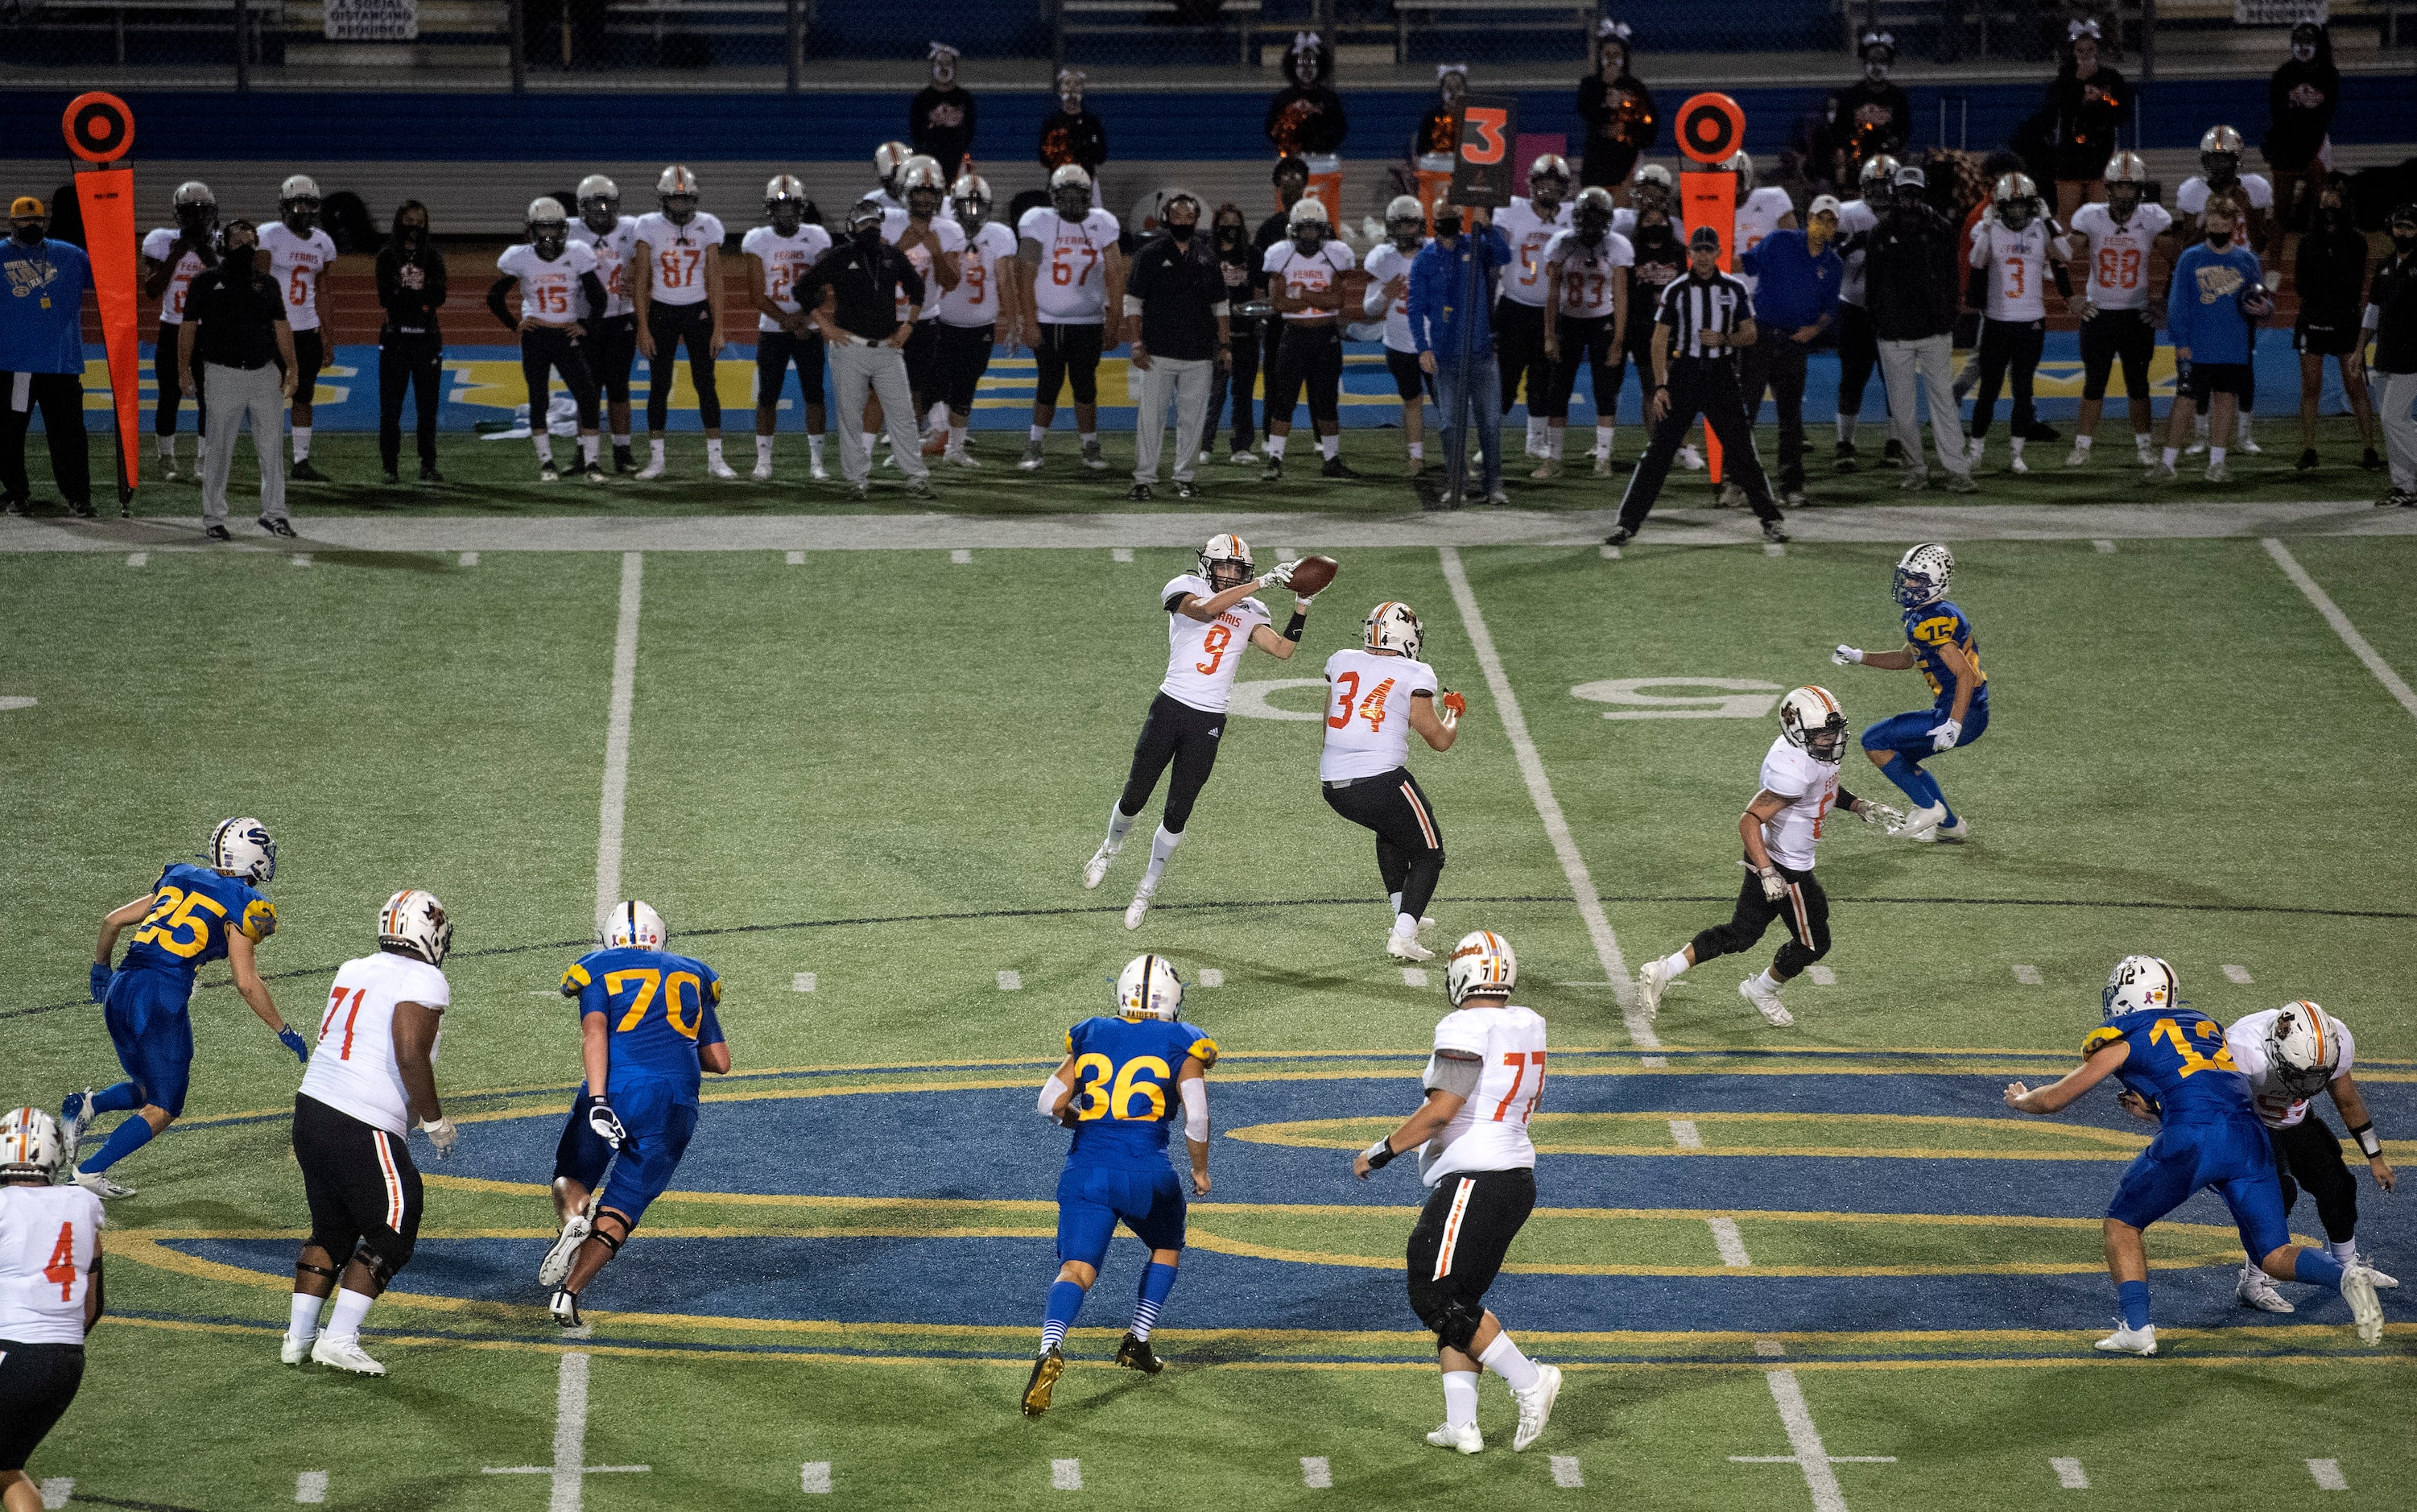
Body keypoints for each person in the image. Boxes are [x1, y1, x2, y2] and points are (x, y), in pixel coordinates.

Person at [2002, 956, 2383, 1356]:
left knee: (2122, 1223)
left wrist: (2023, 1099)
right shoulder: (2204, 1025)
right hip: (2250, 1136)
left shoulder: (2124, 1035)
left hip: (2194, 1137)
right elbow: (2202, 1081)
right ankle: (2343, 1275)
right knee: (2273, 1253)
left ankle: (2137, 1328)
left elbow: (2058, 1099)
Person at [1352, 930, 1560, 1456]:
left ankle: (1529, 1379)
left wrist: (1382, 1150)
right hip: (1514, 1177)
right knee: (1460, 1304)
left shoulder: (1465, 1024)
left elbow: (1443, 1109)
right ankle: (1461, 1424)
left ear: (1463, 975)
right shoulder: (1528, 1023)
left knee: (1433, 1292)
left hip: (1478, 1177)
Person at [63, 819, 304, 1198]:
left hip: (121, 987)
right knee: (165, 1104)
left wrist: (100, 968)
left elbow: (112, 921)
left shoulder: (179, 876)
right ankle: (89, 1172)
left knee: (150, 1086)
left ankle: (88, 1106)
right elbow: (246, 982)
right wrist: (284, 1029)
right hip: (159, 998)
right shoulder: (245, 903)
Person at [1021, 956, 1217, 1415]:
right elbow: (1198, 1115)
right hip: (1147, 1171)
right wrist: (1200, 1171)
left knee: (1076, 1270)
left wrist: (1077, 1119)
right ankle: (1137, 1340)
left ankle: (1050, 1348)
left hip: (1086, 1170)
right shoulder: (1184, 1041)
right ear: (1172, 998)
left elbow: (1048, 1101)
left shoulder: (1091, 1032)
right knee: (1166, 1245)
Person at [1636, 688, 1897, 1028]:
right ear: (1797, 730)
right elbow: (1749, 820)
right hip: (1785, 866)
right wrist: (1767, 871)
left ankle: (1664, 970)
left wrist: (1859, 805)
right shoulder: (1795, 768)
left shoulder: (1812, 756)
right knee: (1814, 943)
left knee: (1742, 933)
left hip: (1773, 858)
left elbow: (1823, 790)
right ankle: (1762, 990)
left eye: (1833, 730)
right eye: (1821, 733)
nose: (1831, 738)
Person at [282, 890, 457, 1377]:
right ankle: (339, 1339)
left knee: (332, 1230)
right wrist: (433, 1118)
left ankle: (297, 1338)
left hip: (312, 1106)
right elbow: (408, 1051)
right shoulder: (423, 976)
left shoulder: (354, 967)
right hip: (360, 1117)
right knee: (395, 1225)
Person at [1085, 537, 1305, 923]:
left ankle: (1146, 888)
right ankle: (1109, 849)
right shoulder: (1184, 587)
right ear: (1207, 565)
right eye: (1225, 567)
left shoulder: (1253, 608)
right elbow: (1203, 612)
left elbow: (1282, 650)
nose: (1231, 574)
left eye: (1239, 570)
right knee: (1135, 794)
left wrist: (1304, 603)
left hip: (1209, 718)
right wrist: (1259, 583)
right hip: (1171, 705)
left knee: (1178, 810)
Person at [539, 901, 731, 1328]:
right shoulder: (693, 972)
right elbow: (720, 1060)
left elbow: (595, 1033)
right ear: (661, 937)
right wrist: (668, 1044)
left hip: (619, 1087)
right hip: (676, 1101)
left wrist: (599, 1098)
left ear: (609, 939)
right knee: (624, 1206)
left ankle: (573, 1220)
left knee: (571, 1177)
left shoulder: (597, 967)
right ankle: (568, 1296)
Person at [1602, 226, 1790, 547]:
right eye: (1698, 250)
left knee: (1743, 451)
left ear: (1718, 252)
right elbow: (1659, 338)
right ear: (1690, 253)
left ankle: (1771, 519)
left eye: (1709, 249)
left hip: (1721, 375)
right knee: (1659, 453)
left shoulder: (1733, 288)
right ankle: (1627, 523)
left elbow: (1750, 334)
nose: (1703, 256)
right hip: (1686, 374)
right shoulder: (1676, 290)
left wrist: (1724, 339)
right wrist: (1661, 385)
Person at [2212, 1002, 2397, 1314]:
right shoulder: (2243, 1052)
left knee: (2337, 1184)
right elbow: (2212, 1104)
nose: (2310, 1085)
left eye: (2318, 1076)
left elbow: (2347, 1100)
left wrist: (2375, 1156)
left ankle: (2346, 1268)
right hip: (2249, 1121)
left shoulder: (2332, 1044)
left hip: (2294, 1120)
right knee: (2278, 1194)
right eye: (2302, 1074)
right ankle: (2254, 1281)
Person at [1320, 602, 1464, 960]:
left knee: (1392, 831)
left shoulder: (1341, 660)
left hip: (1333, 782)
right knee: (1430, 853)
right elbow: (1440, 741)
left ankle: (1404, 912)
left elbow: (1327, 723)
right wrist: (1453, 713)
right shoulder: (1415, 673)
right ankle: (1403, 934)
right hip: (1380, 779)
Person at [1832, 542, 1987, 842]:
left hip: (1962, 712)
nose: (1907, 583)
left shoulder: (1932, 621)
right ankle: (1950, 826)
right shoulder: (1934, 612)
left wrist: (1953, 723)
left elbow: (1966, 676)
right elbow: (1907, 659)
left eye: (1917, 579)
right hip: (1966, 711)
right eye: (1908, 576)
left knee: (1875, 740)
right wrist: (1861, 656)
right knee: (1897, 754)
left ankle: (1928, 807)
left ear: (1936, 583)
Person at [0, 1107, 104, 1512]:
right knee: (7, 1468)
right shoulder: (83, 1205)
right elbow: (92, 1308)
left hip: (12, 1350)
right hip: (64, 1361)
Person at [794, 198, 932, 501]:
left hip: (888, 348)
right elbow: (802, 288)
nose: (870, 227)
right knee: (850, 417)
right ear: (853, 227)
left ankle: (916, 477)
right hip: (850, 347)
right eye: (864, 223)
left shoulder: (893, 255)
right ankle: (856, 480)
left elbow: (917, 288)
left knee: (903, 415)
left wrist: (909, 323)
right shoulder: (840, 256)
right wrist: (825, 326)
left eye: (874, 222)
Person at [181, 221, 300, 540]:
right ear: (223, 245)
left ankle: (275, 514)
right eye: (238, 241)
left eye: (251, 241)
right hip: (223, 372)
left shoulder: (268, 284)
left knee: (272, 448)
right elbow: (189, 326)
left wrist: (292, 366)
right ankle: (214, 518)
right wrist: (183, 368)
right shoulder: (206, 282)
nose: (246, 247)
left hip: (264, 373)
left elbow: (281, 326)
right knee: (219, 448)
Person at [1865, 163, 1975, 494]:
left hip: (1932, 331)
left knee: (1941, 398)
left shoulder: (1940, 229)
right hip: (1895, 333)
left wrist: (1946, 318)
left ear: (1923, 192)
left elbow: (1950, 278)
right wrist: (1881, 322)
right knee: (1901, 405)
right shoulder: (1882, 232)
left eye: (1915, 192)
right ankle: (1917, 469)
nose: (1910, 198)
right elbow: (1873, 285)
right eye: (1905, 192)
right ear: (1896, 193)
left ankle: (1956, 469)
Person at [490, 198, 609, 484]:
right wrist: (515, 324)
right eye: (542, 228)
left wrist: (585, 326)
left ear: (563, 230)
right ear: (531, 229)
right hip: (537, 335)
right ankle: (547, 463)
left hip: (566, 333)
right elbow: (494, 297)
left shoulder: (578, 253)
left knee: (589, 396)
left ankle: (592, 463)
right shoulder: (520, 257)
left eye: (553, 229)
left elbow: (599, 298)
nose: (547, 235)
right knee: (539, 399)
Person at [2149, 197, 2266, 487]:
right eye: (2213, 223)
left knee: (2225, 401)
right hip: (2196, 346)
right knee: (2184, 401)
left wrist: (2265, 309)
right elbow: (2178, 304)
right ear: (2206, 223)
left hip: (2233, 345)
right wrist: (2180, 341)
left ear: (2233, 225)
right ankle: (2167, 463)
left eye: (2223, 224)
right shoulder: (2190, 258)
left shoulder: (2247, 260)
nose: (2218, 228)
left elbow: (2260, 298)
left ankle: (2217, 464)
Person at [2064, 151, 2168, 470]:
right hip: (2100, 314)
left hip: (2136, 313)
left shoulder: (2153, 218)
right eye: (2119, 187)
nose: (2125, 194)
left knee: (2139, 384)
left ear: (2140, 189)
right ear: (2108, 189)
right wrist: (2071, 296)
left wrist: (2162, 300)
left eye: (2130, 187)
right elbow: (2063, 255)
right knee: (2094, 383)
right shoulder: (2090, 217)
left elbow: (2183, 259)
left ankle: (2145, 448)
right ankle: (2082, 447)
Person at [1964, 173, 2072, 475]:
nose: (2016, 212)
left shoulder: (2042, 229)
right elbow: (1976, 260)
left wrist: (2050, 222)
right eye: (2010, 207)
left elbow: (2066, 254)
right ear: (1999, 207)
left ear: (2032, 206)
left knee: (2024, 390)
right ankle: (1976, 452)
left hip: (2031, 321)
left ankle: (2016, 454)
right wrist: (1986, 227)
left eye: (2021, 206)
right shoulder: (1989, 229)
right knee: (1989, 390)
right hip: (1998, 320)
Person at [1017, 165, 1122, 473]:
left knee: (1085, 385)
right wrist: (1030, 320)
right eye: (1067, 196)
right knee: (1048, 383)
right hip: (1049, 319)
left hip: (1089, 320)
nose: (1073, 203)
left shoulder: (1103, 223)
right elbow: (1026, 273)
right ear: (1054, 196)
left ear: (1089, 196)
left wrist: (1114, 319)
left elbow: (1115, 273)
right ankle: (1035, 443)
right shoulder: (1038, 221)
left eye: (1079, 196)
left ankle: (1090, 444)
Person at [1125, 192, 1230, 501]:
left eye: (1188, 217)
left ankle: (1185, 476)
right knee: (1150, 419)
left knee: (1192, 420)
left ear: (1196, 221)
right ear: (1166, 220)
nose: (1183, 222)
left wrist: (1224, 345)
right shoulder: (1150, 254)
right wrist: (1136, 344)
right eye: (1177, 217)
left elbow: (1221, 305)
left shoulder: (1207, 257)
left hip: (1199, 353)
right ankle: (1144, 478)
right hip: (1157, 351)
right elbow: (1133, 302)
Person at [1737, 195, 1841, 505]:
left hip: (1794, 343)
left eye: (1831, 220)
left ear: (1836, 227)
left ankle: (1791, 485)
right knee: (1745, 411)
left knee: (1791, 417)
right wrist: (1705, 264)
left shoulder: (1833, 265)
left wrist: (1814, 330)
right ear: (1808, 217)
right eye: (1819, 217)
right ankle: (1736, 481)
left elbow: (1829, 310)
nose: (1824, 225)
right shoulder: (1779, 240)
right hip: (1761, 335)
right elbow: (1745, 264)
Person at [632, 165, 731, 481]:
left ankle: (716, 459)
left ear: (695, 199)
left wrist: (718, 326)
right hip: (662, 309)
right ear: (663, 200)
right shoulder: (647, 225)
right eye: (674, 201)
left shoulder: (709, 225)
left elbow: (714, 279)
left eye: (685, 200)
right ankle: (657, 460)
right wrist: (643, 326)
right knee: (659, 385)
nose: (680, 206)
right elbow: (642, 280)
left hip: (698, 310)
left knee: (706, 383)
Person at [1410, 204, 1511, 503]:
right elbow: (1415, 307)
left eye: (1453, 219)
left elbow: (1504, 256)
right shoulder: (1425, 259)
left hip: (1481, 353)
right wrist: (1422, 347)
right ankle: (1457, 483)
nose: (1448, 224)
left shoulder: (1475, 244)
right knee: (1451, 424)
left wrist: (1488, 227)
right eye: (1442, 220)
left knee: (1490, 422)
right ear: (1433, 223)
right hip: (1447, 356)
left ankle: (1493, 484)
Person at [0, 196, 93, 518]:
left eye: (37, 219)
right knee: (10, 433)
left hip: (60, 364)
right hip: (16, 366)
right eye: (25, 221)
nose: (32, 225)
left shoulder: (70, 255)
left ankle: (79, 497)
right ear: (11, 223)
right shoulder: (0, 255)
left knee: (69, 435)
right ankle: (17, 494)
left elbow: (110, 286)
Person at [742, 174, 833, 482]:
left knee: (814, 394)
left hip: (808, 326)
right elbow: (756, 294)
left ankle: (817, 461)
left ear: (801, 208)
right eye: (780, 208)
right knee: (767, 395)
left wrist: (805, 316)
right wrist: (790, 321)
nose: (786, 214)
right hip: (775, 328)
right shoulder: (757, 239)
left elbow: (823, 284)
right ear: (770, 209)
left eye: (791, 207)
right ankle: (763, 460)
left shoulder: (817, 236)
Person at [1537, 187, 1631, 479]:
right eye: (1585, 218)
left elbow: (1621, 296)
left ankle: (1603, 458)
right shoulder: (1561, 244)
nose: (1590, 225)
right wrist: (1550, 334)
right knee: (1558, 391)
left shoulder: (1616, 246)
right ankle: (1554, 459)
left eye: (1596, 218)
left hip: (1601, 320)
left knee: (1604, 390)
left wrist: (1617, 339)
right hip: (1570, 320)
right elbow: (1552, 293)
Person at [1259, 196, 1356, 481]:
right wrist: (1317, 299)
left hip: (1325, 335)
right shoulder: (1281, 254)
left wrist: (1302, 295)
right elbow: (1278, 303)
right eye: (1305, 229)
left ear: (1324, 229)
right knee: (1284, 399)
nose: (1310, 236)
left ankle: (1332, 459)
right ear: (1294, 230)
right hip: (1294, 335)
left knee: (1326, 401)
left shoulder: (1336, 253)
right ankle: (1275, 459)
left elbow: (1336, 300)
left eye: (1315, 229)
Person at [1616, 166, 1704, 473]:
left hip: (1675, 321)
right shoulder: (1624, 227)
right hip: (1642, 323)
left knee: (1680, 386)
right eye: (1646, 195)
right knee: (1651, 386)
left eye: (1658, 197)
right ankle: (1659, 446)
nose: (1652, 204)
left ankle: (1686, 444)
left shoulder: (1680, 230)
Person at [2291, 175, 2382, 473]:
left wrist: (2330, 295)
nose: (2329, 206)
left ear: (2344, 203)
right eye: (2324, 201)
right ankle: (2309, 449)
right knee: (2311, 387)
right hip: (2313, 318)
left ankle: (2369, 447)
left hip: (2344, 318)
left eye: (2335, 201)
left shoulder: (2355, 240)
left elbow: (2352, 282)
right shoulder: (2307, 241)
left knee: (2356, 386)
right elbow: (2301, 282)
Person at [883, 156, 965, 456]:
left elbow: (951, 281)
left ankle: (907, 446)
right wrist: (902, 245)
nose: (925, 200)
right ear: (906, 193)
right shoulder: (888, 222)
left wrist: (936, 251)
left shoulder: (948, 230)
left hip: (924, 318)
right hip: (886, 316)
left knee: (917, 385)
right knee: (881, 386)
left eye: (931, 194)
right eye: (919, 193)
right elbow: (874, 272)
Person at [1495, 155, 1573, 466]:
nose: (1549, 191)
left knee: (1544, 379)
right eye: (1543, 183)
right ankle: (1491, 437)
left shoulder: (1571, 215)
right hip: (1515, 307)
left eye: (1556, 185)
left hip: (1552, 312)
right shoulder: (1511, 211)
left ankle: (1535, 442)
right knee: (1505, 380)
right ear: (1531, 184)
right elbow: (1498, 248)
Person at [936, 172, 1016, 469]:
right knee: (934, 384)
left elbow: (1005, 280)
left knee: (966, 386)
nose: (972, 212)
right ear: (952, 206)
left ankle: (954, 447)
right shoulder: (942, 230)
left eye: (977, 205)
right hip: (942, 321)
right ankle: (932, 436)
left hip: (979, 325)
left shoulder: (1000, 235)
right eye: (965, 205)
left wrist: (1013, 320)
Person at [260, 176, 337, 482]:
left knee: (303, 396)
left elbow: (323, 292)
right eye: (297, 203)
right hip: (274, 329)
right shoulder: (268, 236)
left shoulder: (324, 243)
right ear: (285, 206)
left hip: (307, 330)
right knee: (268, 399)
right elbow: (259, 286)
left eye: (307, 204)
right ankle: (270, 461)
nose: (302, 210)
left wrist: (328, 337)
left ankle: (301, 462)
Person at [141, 181, 217, 482]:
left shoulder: (220, 242)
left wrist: (205, 252)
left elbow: (227, 282)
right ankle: (166, 456)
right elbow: (151, 290)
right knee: (168, 396)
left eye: (202, 212)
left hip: (208, 331)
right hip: (172, 327)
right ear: (178, 215)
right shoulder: (162, 241)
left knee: (209, 400)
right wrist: (176, 255)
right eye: (190, 212)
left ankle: (204, 459)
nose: (197, 219)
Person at [373, 200, 447, 486]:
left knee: (427, 409)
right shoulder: (387, 256)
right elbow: (385, 297)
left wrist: (407, 297)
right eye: (409, 220)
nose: (414, 226)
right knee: (391, 409)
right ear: (399, 221)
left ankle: (428, 465)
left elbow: (439, 295)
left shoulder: (433, 256)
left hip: (427, 341)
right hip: (395, 340)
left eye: (419, 221)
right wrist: (419, 300)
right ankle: (390, 467)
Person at [572, 176, 642, 474]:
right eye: (595, 205)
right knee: (586, 389)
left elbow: (651, 260)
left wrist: (639, 274)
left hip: (620, 317)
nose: (602, 210)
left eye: (607, 204)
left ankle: (622, 452)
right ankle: (584, 453)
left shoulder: (632, 228)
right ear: (582, 208)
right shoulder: (570, 231)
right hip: (584, 318)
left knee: (618, 387)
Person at [1832, 155, 1897, 473]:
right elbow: (1824, 262)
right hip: (1854, 307)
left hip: (1892, 309)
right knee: (1852, 378)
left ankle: (1896, 440)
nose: (1882, 192)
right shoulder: (1846, 214)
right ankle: (1845, 441)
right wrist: (1848, 245)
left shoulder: (1905, 215)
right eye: (1875, 185)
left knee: (1895, 379)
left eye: (1886, 185)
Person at [1364, 196, 1432, 477]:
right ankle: (1416, 458)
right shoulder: (1383, 258)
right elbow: (1369, 308)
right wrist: (1385, 294)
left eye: (1411, 224)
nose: (1406, 231)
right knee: (1412, 400)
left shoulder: (1434, 252)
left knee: (1448, 404)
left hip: (1432, 342)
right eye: (1400, 225)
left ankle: (1456, 456)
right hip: (1399, 344)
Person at [2041, 21, 2128, 228]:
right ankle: (2063, 259)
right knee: (2066, 216)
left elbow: (2122, 112)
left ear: (2097, 49)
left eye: (2090, 49)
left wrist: (2103, 98)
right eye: (2080, 50)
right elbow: (2056, 109)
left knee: (2101, 216)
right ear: (2073, 51)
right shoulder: (2064, 79)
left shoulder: (2111, 78)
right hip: (2071, 154)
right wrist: (2079, 86)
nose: (2085, 54)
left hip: (2101, 151)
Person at [1252, 156, 1313, 440]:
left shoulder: (1320, 224)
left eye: (1296, 175)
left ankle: (1321, 439)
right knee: (1275, 379)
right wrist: (1263, 314)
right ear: (1277, 186)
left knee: (1317, 378)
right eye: (1285, 176)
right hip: (1279, 318)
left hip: (1313, 314)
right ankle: (1269, 437)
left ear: (1305, 183)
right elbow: (1258, 277)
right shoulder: (1268, 229)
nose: (1290, 181)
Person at [2263, 20, 2340, 240]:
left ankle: (2323, 258)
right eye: (2298, 41)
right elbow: (2276, 114)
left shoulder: (2329, 75)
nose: (2302, 47)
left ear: (2319, 44)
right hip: (2287, 150)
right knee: (2280, 215)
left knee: (2327, 210)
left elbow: (2327, 113)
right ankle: (2274, 274)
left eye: (2309, 41)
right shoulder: (2283, 75)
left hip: (2315, 147)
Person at [2366, 204, 2417, 509]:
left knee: (2392, 416)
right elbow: (2372, 311)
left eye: (2410, 227)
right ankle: (2405, 487)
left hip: (2413, 354)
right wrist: (2360, 347)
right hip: (2386, 352)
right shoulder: (2385, 266)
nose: (2404, 232)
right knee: (2394, 424)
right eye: (2400, 227)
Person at [1207, 203, 1262, 464]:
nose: (1231, 229)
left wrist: (1251, 311)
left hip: (1246, 333)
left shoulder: (1252, 255)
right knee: (1214, 392)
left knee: (1243, 393)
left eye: (1235, 224)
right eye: (1225, 224)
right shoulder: (1207, 255)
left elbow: (1261, 294)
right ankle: (1204, 445)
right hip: (1216, 335)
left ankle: (1241, 447)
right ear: (1217, 227)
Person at [1576, 23, 1658, 199]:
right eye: (1607, 54)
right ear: (1599, 57)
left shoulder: (1636, 87)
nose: (1612, 59)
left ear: (1624, 58)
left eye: (1617, 55)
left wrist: (1627, 130)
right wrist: (1605, 89)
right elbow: (1587, 111)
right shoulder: (1590, 85)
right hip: (1596, 166)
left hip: (1626, 164)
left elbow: (1651, 125)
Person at [1823, 32, 1911, 191]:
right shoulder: (1849, 96)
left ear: (1890, 64)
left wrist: (1894, 143)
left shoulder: (1897, 96)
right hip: (1856, 156)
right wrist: (1843, 151)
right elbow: (1838, 131)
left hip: (1887, 157)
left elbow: (1904, 130)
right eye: (1872, 61)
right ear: (1864, 63)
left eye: (1883, 61)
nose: (1877, 67)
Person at [1266, 31, 1346, 159]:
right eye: (1301, 64)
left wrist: (1317, 113)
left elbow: (1339, 129)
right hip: (1291, 159)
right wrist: (1291, 112)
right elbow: (1271, 130)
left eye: (1312, 64)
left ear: (1320, 66)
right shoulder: (1283, 98)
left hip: (1322, 158)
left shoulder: (1329, 98)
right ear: (1293, 66)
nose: (1306, 70)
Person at [909, 41, 977, 182]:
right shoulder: (922, 98)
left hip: (956, 158)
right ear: (933, 66)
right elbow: (916, 132)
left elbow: (970, 130)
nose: (944, 68)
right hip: (927, 159)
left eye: (948, 63)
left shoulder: (964, 98)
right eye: (939, 63)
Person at [1037, 69, 1108, 186]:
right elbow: (1044, 156)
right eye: (1067, 83)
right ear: (1060, 91)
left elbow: (1100, 155)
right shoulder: (1052, 121)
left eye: (1077, 84)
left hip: (1085, 179)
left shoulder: (1091, 121)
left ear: (1082, 91)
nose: (1072, 87)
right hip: (1058, 180)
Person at [1415, 64, 1468, 162]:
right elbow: (1422, 148)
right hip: (1437, 163)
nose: (1453, 94)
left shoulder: (1470, 116)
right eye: (1449, 89)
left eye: (1458, 89)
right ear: (1442, 91)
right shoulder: (1432, 116)